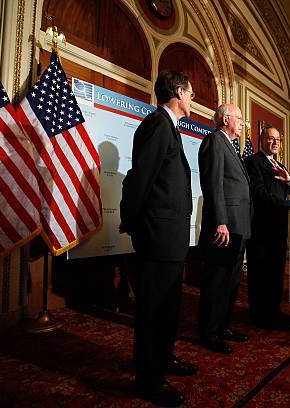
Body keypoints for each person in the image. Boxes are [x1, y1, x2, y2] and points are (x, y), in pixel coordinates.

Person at [120, 71, 196, 407]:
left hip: (171, 236)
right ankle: (149, 379)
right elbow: (141, 179)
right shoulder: (156, 125)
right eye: (191, 93)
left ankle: (163, 359)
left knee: (169, 306)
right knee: (153, 308)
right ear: (179, 93)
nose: (192, 99)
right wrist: (133, 222)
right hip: (158, 235)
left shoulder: (170, 128)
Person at [197, 104, 252, 354]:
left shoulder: (231, 146)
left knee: (231, 283)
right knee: (216, 282)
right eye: (239, 118)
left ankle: (223, 327)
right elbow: (213, 184)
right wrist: (220, 221)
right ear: (226, 119)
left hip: (238, 226)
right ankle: (208, 333)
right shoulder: (214, 141)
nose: (242, 123)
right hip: (224, 227)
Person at [244, 126, 290, 329]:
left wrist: (289, 179)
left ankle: (273, 311)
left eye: (278, 140)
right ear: (261, 140)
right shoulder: (252, 162)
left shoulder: (280, 166)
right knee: (260, 273)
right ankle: (258, 314)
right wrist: (282, 204)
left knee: (276, 271)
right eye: (271, 139)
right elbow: (257, 192)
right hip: (261, 227)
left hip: (279, 226)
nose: (275, 143)